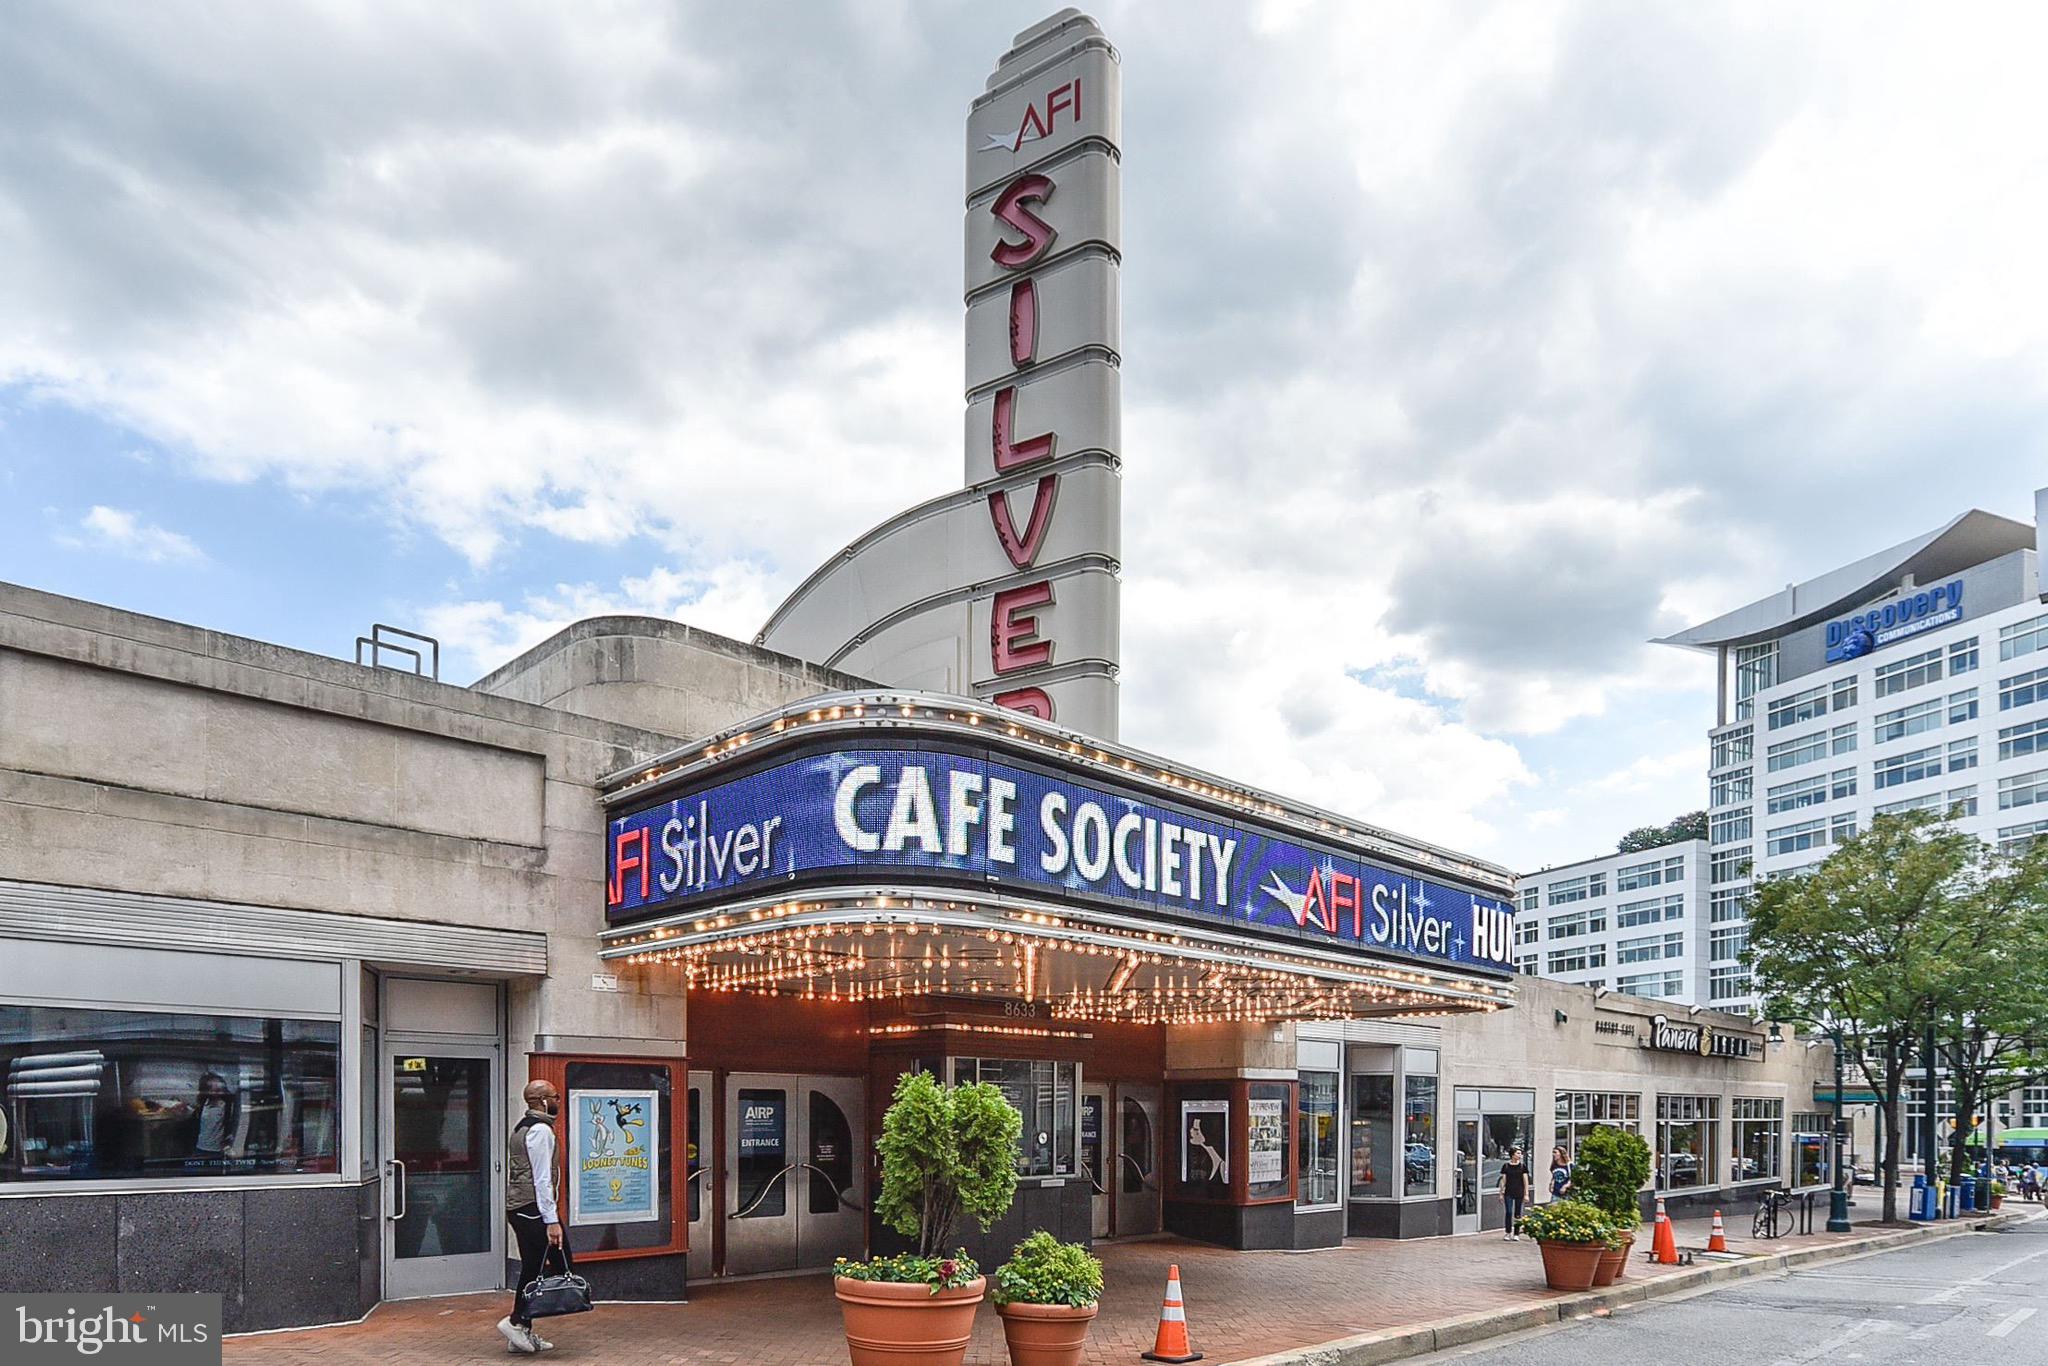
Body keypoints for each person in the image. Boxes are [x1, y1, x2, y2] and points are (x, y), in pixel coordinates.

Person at [500, 1079, 568, 1355]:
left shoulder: (522, 1127)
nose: (559, 1101)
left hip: (521, 1206)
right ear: (541, 1100)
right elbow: (541, 1179)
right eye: (556, 1096)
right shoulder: (541, 1131)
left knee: (535, 1266)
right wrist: (551, 1220)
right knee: (546, 1265)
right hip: (532, 1208)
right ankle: (516, 1322)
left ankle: (521, 1331)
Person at [1498, 1146, 1531, 1240]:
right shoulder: (1506, 1166)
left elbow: (1525, 1181)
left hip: (1519, 1192)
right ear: (1512, 1154)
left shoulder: (1522, 1166)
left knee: (1517, 1213)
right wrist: (1501, 1193)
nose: (1520, 1155)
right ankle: (1508, 1232)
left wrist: (1526, 1194)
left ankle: (1516, 1233)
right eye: (1518, 1153)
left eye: (1520, 1153)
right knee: (1508, 1212)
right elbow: (1503, 1180)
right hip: (1508, 1191)